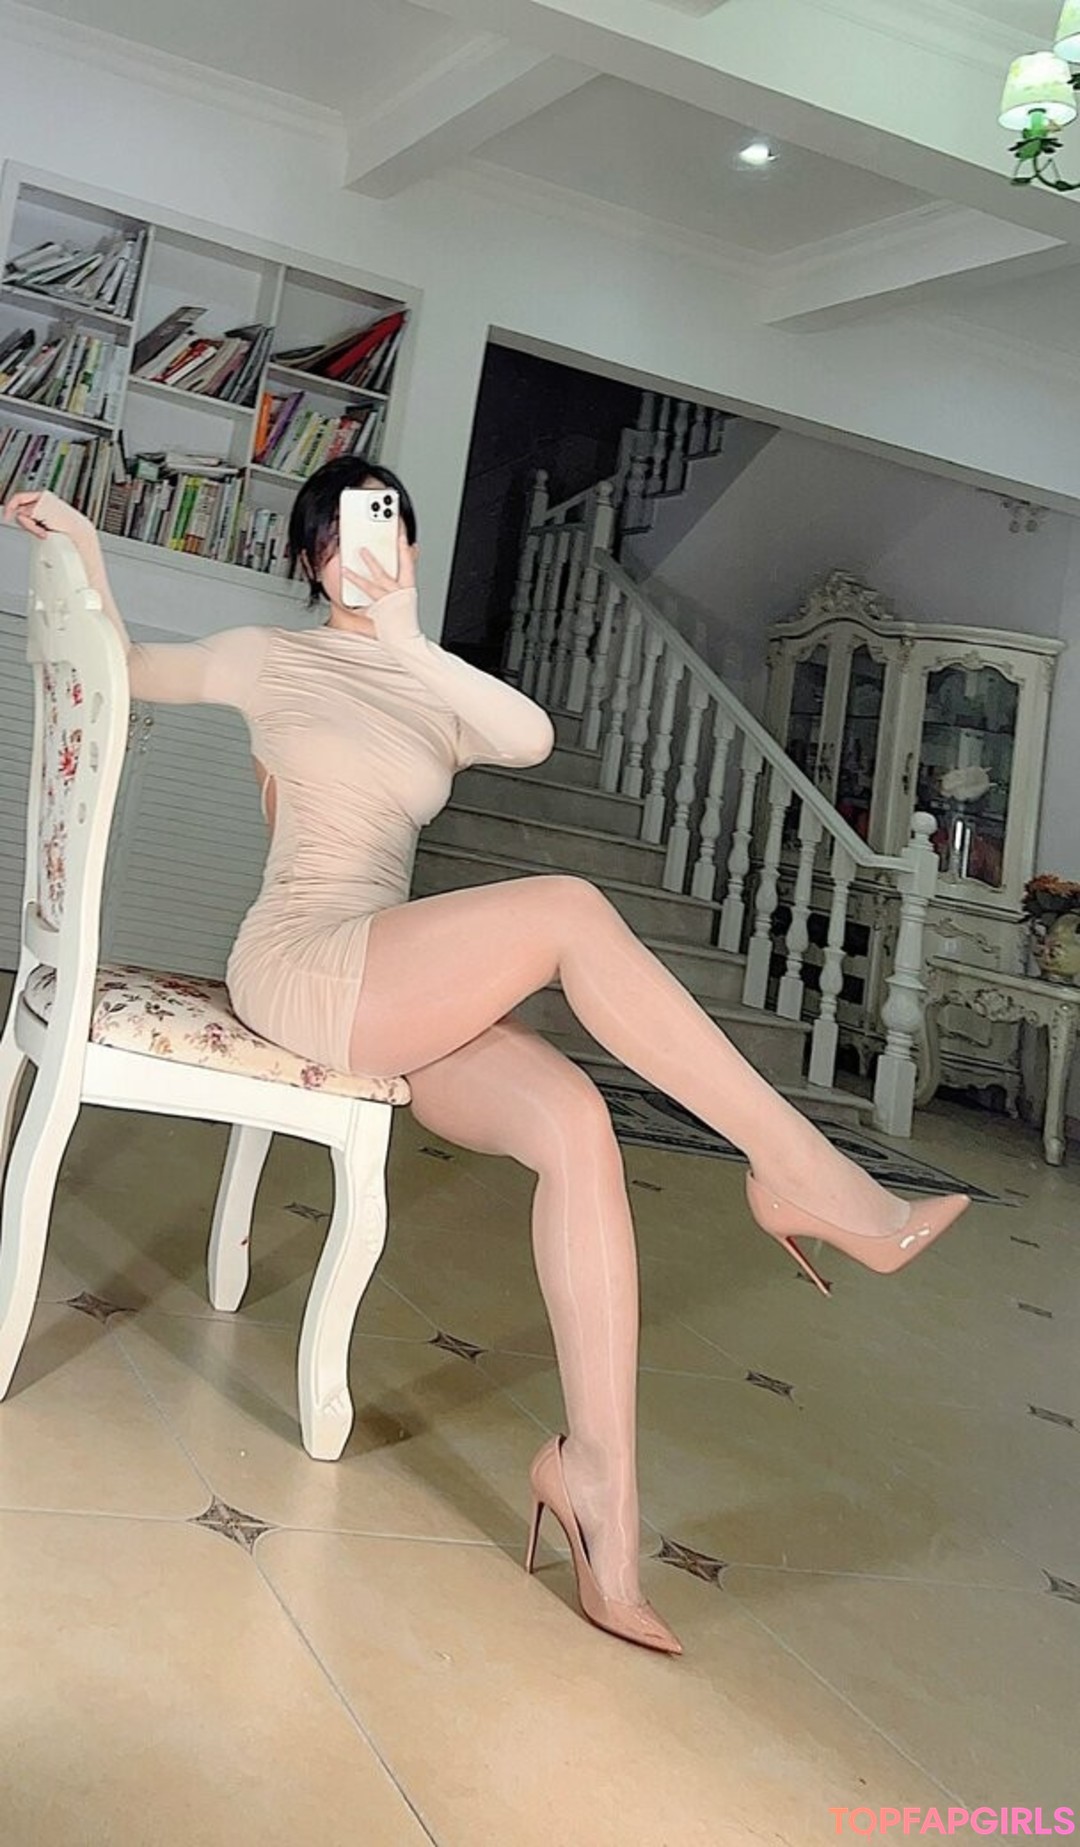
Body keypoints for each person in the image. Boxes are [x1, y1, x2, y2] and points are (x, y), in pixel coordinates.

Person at [4, 464, 969, 1657]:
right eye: (343, 529)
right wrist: (84, 547)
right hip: (302, 960)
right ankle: (804, 1172)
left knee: (577, 1124)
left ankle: (599, 1489)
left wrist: (412, 642)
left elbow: (533, 733)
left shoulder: (433, 688)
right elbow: (116, 666)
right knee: (567, 909)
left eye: (388, 523)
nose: (368, 546)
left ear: (411, 548)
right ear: (310, 555)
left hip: (402, 981)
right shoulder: (268, 657)